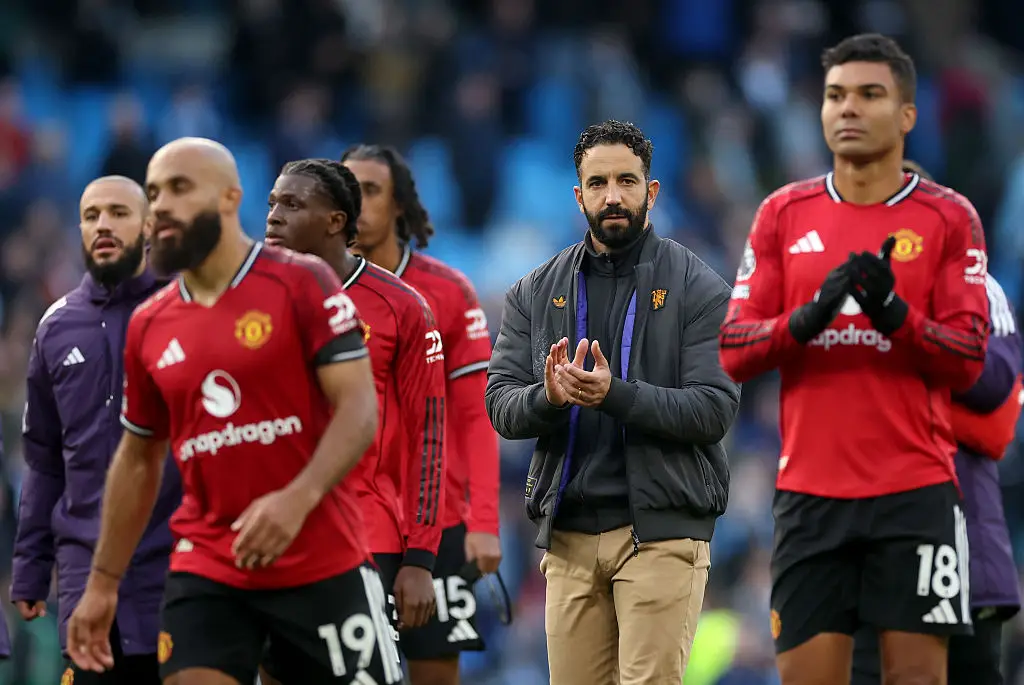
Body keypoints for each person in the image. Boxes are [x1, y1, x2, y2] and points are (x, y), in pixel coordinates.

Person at [66, 137, 402, 685]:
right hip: (209, 566)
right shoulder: (149, 324)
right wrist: (103, 582)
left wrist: (297, 499)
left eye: (180, 187)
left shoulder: (300, 281)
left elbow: (360, 408)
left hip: (322, 559)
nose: (162, 206)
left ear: (229, 197)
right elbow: (137, 457)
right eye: (154, 193)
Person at [718, 34, 991, 685]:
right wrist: (807, 320)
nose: (848, 108)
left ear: (906, 115)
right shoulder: (782, 213)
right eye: (836, 95)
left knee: (918, 680)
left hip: (915, 494)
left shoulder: (949, 218)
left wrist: (894, 316)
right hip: (810, 499)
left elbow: (969, 359)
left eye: (870, 94)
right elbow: (734, 351)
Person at [486, 119, 740, 685]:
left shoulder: (700, 289)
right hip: (569, 537)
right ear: (579, 196)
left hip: (661, 533)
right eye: (598, 183)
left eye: (627, 181)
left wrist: (614, 395)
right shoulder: (532, 292)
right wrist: (547, 397)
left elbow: (714, 409)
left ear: (651, 191)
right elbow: (500, 404)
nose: (613, 196)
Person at [849, 162, 1022, 685]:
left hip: (962, 544)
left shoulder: (978, 285)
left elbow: (997, 393)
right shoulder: (835, 294)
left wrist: (902, 330)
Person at [263, 158, 445, 643]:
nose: (274, 217)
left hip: (365, 538)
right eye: (272, 204)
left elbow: (428, 437)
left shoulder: (401, 306)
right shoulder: (253, 301)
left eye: (292, 204)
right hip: (271, 534)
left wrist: (420, 558)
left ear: (335, 221)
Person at [342, 144, 500, 685]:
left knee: (435, 672)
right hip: (358, 522)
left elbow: (474, 413)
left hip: (443, 518)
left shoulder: (448, 291)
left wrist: (483, 523)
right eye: (348, 189)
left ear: (400, 207)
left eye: (371, 191)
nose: (357, 203)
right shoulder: (318, 293)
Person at [12, 175, 179, 684]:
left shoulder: (186, 311)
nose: (103, 225)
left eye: (118, 213)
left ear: (150, 226)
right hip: (84, 583)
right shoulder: (55, 326)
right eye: (90, 215)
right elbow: (43, 459)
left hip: (177, 577)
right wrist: (30, 568)